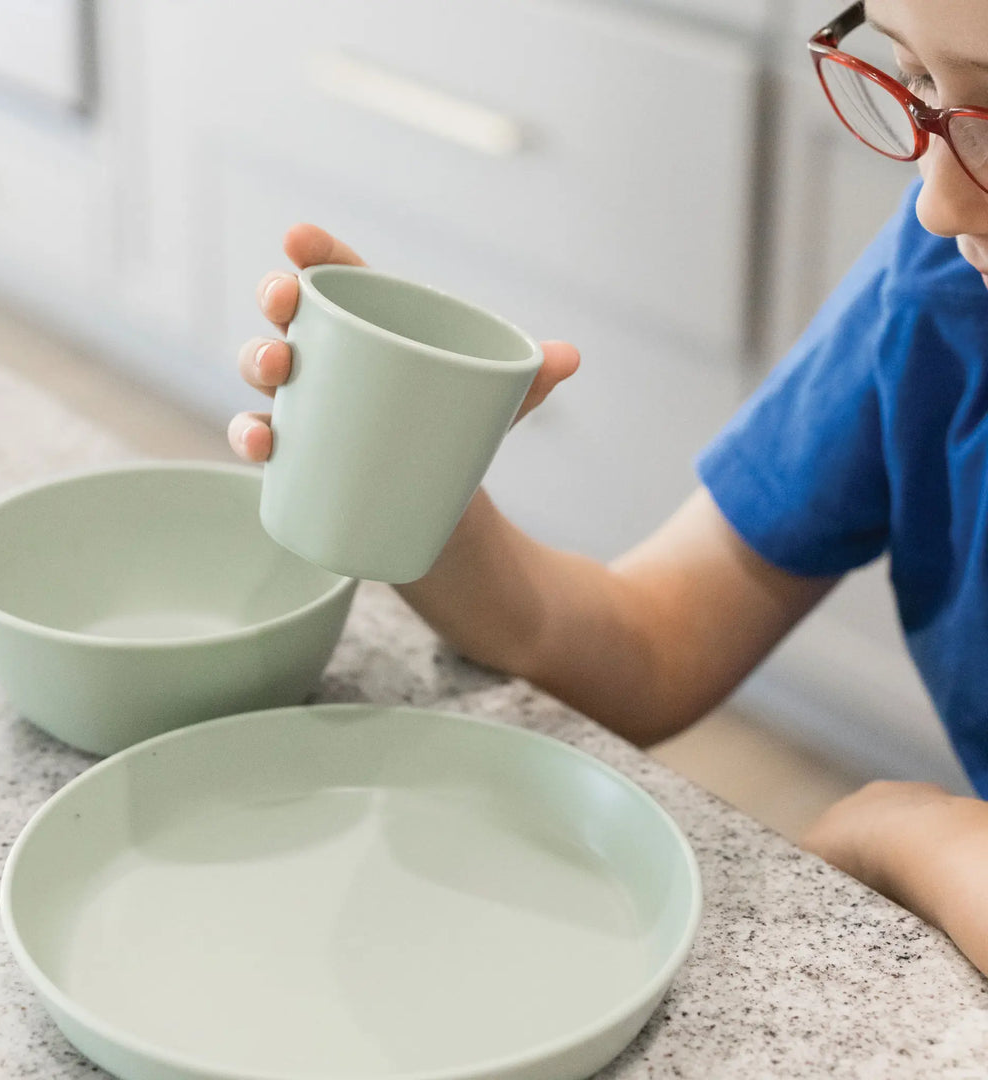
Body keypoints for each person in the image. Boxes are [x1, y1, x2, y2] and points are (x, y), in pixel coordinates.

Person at [228, 0, 988, 979]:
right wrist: (423, 489)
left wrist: (899, 828)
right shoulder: (937, 289)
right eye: (917, 80)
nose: (935, 200)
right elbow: (654, 641)